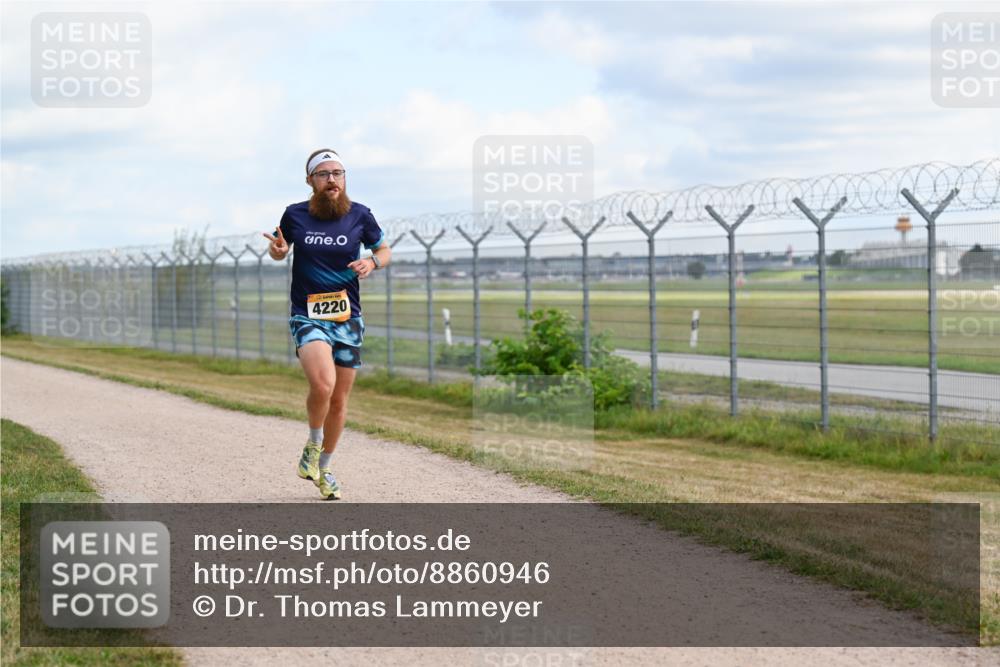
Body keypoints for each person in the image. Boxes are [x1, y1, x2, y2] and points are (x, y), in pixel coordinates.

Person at [263, 148, 390, 500]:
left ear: (344, 178)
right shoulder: (295, 215)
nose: (332, 179)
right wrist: (277, 251)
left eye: (337, 173)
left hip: (347, 317)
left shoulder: (360, 215)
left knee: (339, 399)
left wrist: (372, 264)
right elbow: (280, 249)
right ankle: (313, 443)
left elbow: (384, 250)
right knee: (323, 384)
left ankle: (325, 468)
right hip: (307, 313)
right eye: (323, 174)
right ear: (310, 181)